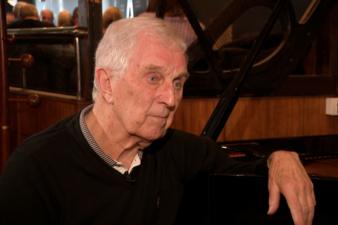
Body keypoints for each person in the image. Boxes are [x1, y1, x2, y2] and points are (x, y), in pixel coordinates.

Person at [0, 16, 314, 225]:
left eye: (178, 82)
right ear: (107, 84)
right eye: (154, 78)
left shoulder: (177, 151)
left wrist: (280, 158)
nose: (171, 98)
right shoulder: (34, 169)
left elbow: (243, 176)